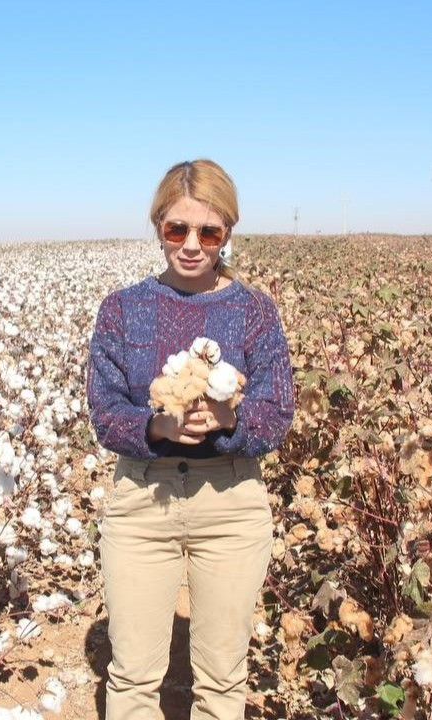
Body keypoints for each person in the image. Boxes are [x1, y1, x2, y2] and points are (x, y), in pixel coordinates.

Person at [87, 159, 295, 719]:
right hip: (141, 503)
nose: (192, 245)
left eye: (209, 231)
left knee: (222, 680)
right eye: (177, 229)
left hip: (229, 504)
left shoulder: (254, 310)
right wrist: (158, 426)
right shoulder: (122, 309)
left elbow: (277, 415)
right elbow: (104, 412)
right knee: (131, 677)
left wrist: (229, 421)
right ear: (158, 226)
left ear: (228, 231)